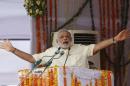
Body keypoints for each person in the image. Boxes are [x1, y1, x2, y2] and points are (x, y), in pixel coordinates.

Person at [0, 29, 130, 68]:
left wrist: (114, 40)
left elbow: (97, 47)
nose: (65, 38)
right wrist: (14, 50)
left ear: (71, 40)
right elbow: (32, 58)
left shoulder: (80, 48)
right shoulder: (50, 52)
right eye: (61, 37)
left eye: (67, 37)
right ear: (57, 41)